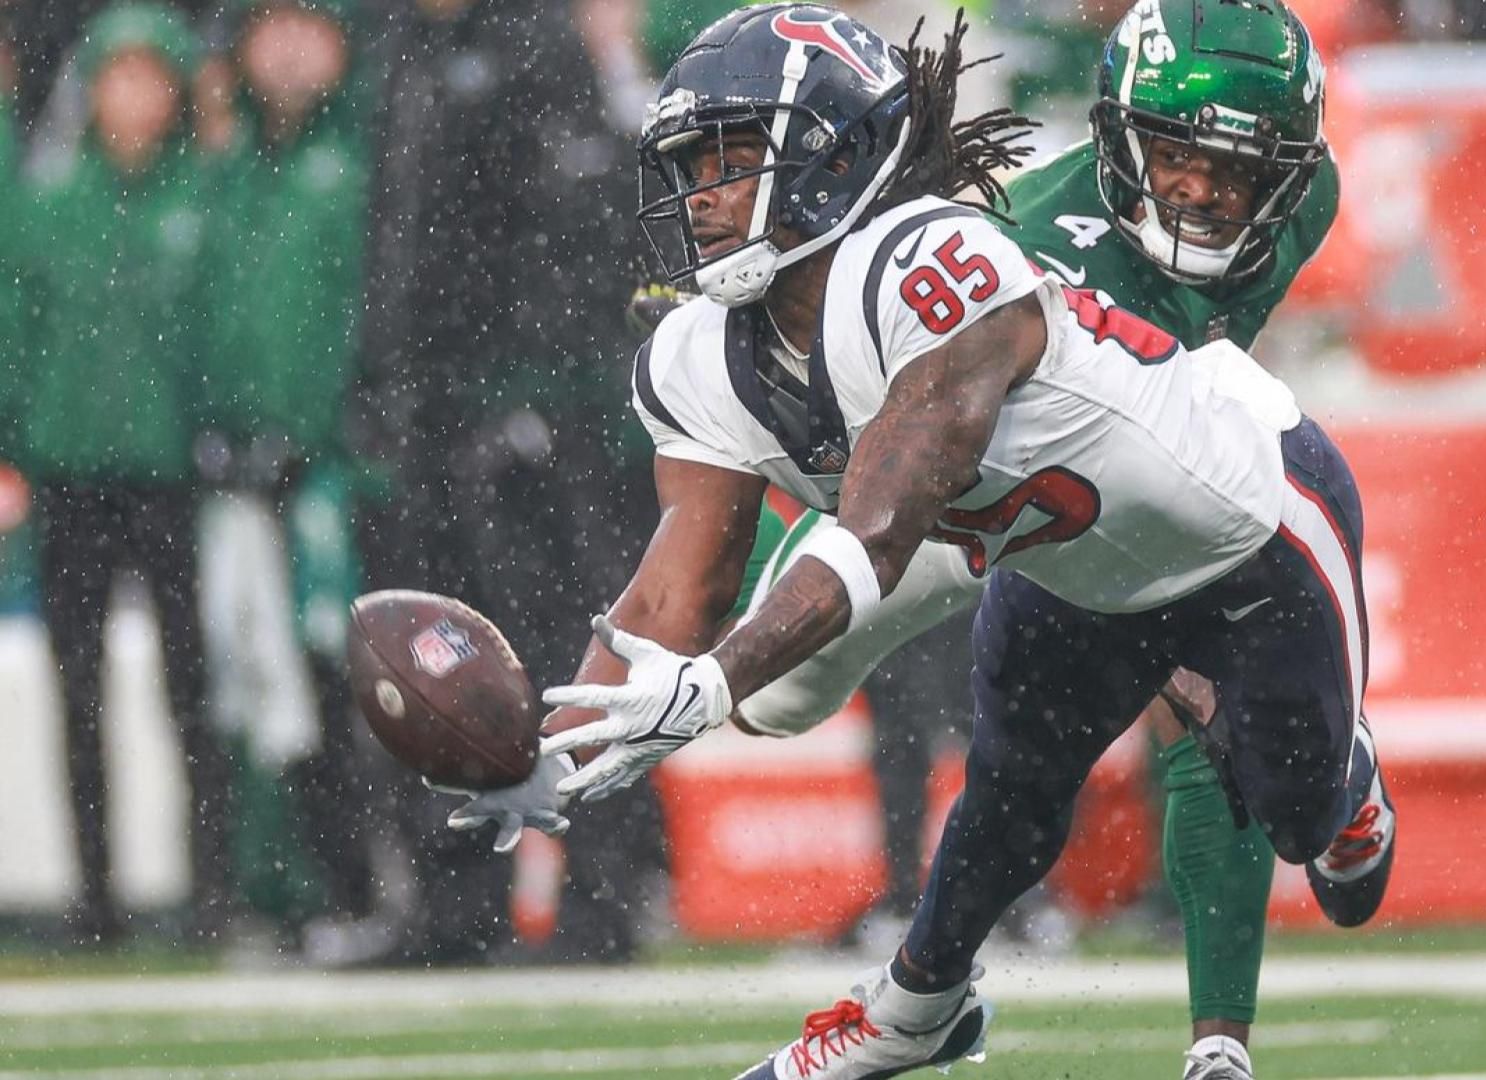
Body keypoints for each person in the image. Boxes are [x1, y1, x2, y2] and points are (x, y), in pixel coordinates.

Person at [442, 6, 1394, 1077]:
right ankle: (911, 1016)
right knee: (999, 783)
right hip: (1046, 535)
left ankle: (1343, 782)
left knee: (1308, 818)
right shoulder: (693, 355)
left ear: (829, 160)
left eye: (735, 158)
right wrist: (546, 763)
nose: (701, 197)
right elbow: (674, 594)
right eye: (691, 164)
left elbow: (879, 531)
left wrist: (706, 685)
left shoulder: (929, 263)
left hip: (1250, 507)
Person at [735, 1, 1345, 1072]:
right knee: (774, 693)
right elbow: (922, 418)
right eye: (1173, 159)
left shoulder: (1308, 198)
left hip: (1135, 479)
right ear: (1116, 142)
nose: (1201, 192)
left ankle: (1216, 1038)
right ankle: (918, 985)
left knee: (1227, 717)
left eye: (1238, 172)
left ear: (1287, 172)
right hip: (971, 478)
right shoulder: (1025, 240)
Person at [342, 0, 657, 966]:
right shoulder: (402, 47)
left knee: (572, 652)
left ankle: (602, 904)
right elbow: (395, 236)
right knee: (436, 665)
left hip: (533, 414)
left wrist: (534, 392)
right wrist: (382, 380)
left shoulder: (538, 43)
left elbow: (578, 228)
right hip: (432, 409)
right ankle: (453, 909)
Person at [9, 1, 232, 946]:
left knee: (194, 682)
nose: (133, 98)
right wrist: (17, 444)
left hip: (173, 481)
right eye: (117, 78)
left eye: (150, 78)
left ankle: (212, 889)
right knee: (78, 688)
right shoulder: (51, 203)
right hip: (71, 477)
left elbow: (224, 336)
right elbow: (18, 339)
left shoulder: (209, 204)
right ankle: (94, 894)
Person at [195, 0, 374, 932]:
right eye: (274, 24)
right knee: (261, 687)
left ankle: (370, 885)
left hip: (340, 479)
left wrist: (319, 431)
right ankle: (284, 890)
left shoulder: (360, 165)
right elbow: (206, 319)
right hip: (242, 483)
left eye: (311, 24)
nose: (292, 47)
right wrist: (218, 428)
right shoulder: (227, 178)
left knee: (351, 677)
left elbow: (367, 316)